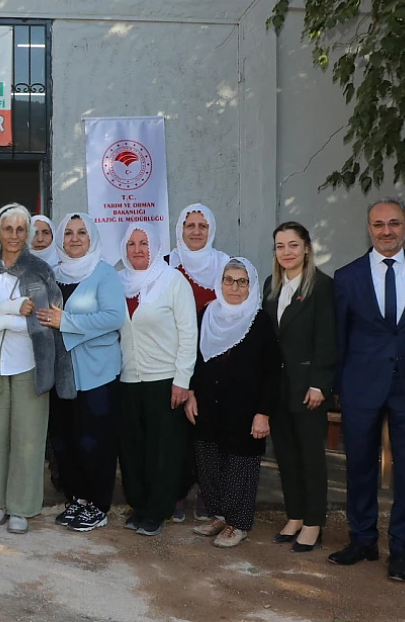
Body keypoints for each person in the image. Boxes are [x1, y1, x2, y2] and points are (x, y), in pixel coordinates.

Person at [329, 198, 405, 581]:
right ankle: (362, 540)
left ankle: (402, 549)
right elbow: (339, 336)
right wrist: (337, 386)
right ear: (368, 227)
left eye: (394, 223)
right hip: (361, 386)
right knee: (358, 466)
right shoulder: (347, 276)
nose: (386, 230)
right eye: (378, 224)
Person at [0, 204, 73, 534]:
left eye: (20, 229)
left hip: (29, 362)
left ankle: (22, 506)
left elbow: (44, 320)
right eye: (7, 229)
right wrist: (8, 318)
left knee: (28, 437)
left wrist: (0, 322)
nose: (14, 235)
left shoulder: (40, 270)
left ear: (27, 234)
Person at [36, 213, 124, 532]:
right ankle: (77, 500)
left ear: (92, 238)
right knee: (65, 441)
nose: (75, 238)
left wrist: (68, 323)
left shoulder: (104, 273)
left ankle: (98, 506)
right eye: (69, 233)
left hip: (97, 374)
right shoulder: (54, 274)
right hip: (62, 375)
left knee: (95, 443)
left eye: (82, 233)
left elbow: (114, 318)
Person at [186, 257, 281, 548]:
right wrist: (190, 393)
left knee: (241, 465)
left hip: (244, 409)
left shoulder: (259, 320)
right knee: (210, 463)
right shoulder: (208, 314)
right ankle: (218, 516)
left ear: (250, 286)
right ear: (220, 282)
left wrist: (263, 412)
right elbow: (194, 358)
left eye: (242, 282)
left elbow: (271, 370)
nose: (235, 287)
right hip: (209, 404)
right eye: (229, 280)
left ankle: (238, 523)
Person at [117, 223, 198, 537]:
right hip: (127, 378)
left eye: (144, 243)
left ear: (155, 248)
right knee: (133, 448)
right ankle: (138, 505)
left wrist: (182, 379)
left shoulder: (172, 281)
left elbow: (189, 333)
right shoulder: (120, 283)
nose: (137, 249)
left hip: (164, 380)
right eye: (132, 244)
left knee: (162, 449)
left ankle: (158, 510)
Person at [263, 222, 335, 552]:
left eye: (293, 245)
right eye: (280, 246)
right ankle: (294, 515)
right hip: (278, 388)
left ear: (306, 247)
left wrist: (320, 384)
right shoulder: (270, 286)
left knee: (311, 458)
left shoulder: (322, 286)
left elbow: (326, 339)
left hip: (308, 389)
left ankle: (313, 522)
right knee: (287, 457)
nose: (287, 252)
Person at [167, 203, 230, 522]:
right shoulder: (166, 265)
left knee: (210, 432)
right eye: (189, 225)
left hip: (214, 363)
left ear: (211, 230)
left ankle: (210, 495)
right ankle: (176, 493)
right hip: (174, 362)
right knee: (176, 434)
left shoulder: (226, 267)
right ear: (180, 229)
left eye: (202, 226)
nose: (195, 231)